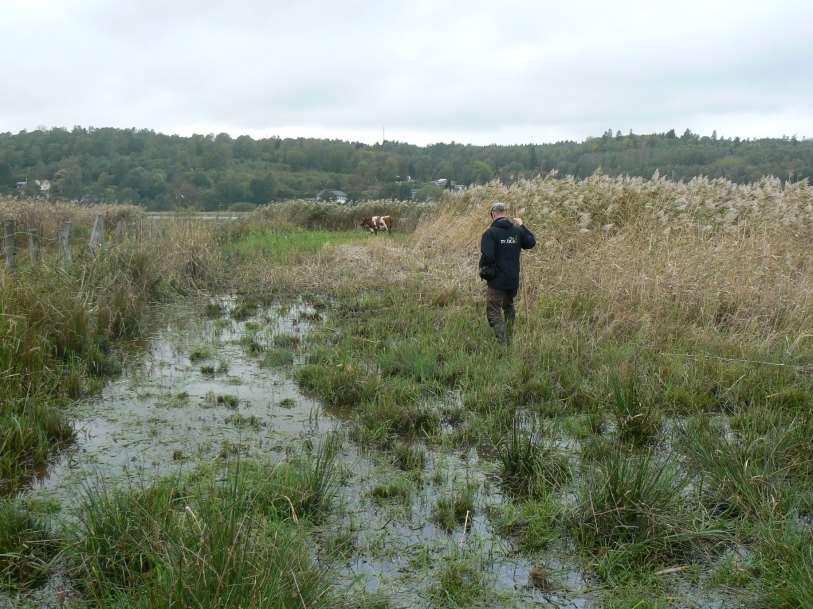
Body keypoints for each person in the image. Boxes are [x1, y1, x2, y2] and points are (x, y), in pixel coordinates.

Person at [478, 201, 536, 343]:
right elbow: (531, 242)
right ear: (505, 213)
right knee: (508, 306)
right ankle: (509, 334)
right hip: (513, 280)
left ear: (493, 214)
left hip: (497, 280)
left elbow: (488, 255)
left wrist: (484, 270)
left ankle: (504, 341)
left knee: (493, 311)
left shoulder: (490, 233)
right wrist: (522, 225)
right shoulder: (517, 231)